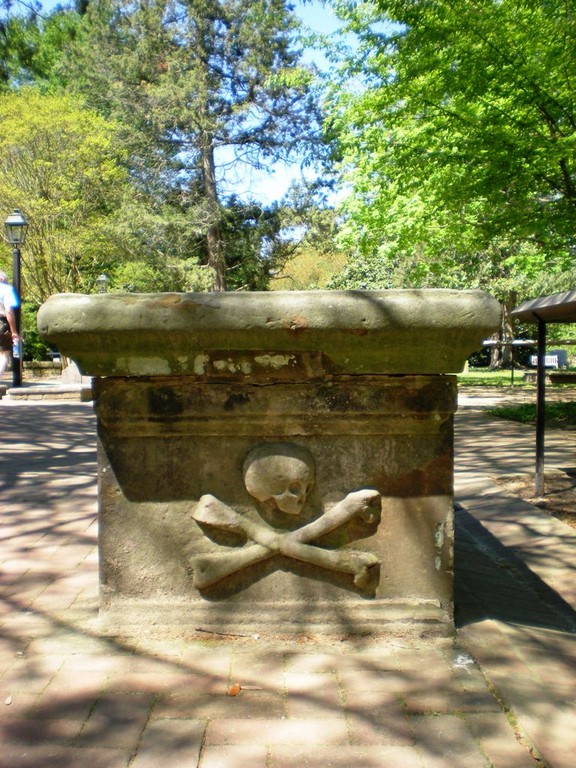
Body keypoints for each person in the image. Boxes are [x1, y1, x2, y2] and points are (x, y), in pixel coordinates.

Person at [0, 271, 20, 376]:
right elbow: (8, 311)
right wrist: (14, 331)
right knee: (4, 354)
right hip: (1, 323)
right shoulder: (6, 289)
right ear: (2, 279)